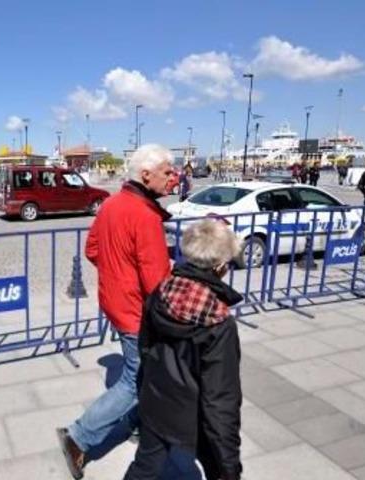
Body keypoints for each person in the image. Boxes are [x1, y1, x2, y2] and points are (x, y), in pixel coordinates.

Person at [57, 144, 175, 480]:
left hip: (115, 301)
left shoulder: (110, 203)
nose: (172, 178)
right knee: (135, 380)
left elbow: (92, 248)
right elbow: (157, 282)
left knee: (144, 371)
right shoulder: (146, 215)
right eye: (167, 172)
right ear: (145, 174)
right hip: (135, 311)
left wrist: (116, 271)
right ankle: (77, 437)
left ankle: (138, 424)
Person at [124, 219, 244, 480]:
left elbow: (145, 347)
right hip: (195, 414)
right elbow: (221, 399)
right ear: (221, 267)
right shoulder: (219, 322)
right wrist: (231, 466)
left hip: (156, 400)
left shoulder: (161, 290)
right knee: (217, 467)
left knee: (144, 467)